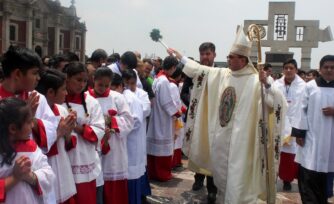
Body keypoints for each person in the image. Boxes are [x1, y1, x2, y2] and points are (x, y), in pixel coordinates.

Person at [167, 27, 286, 203]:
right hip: (222, 137)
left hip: (243, 141)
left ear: (243, 59)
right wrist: (181, 57)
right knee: (221, 179)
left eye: (231, 57)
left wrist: (267, 84)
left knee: (237, 181)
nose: (228, 59)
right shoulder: (223, 74)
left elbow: (277, 102)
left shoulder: (255, 80)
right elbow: (200, 70)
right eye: (229, 56)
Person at [291, 55, 334, 204]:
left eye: (332, 67)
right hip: (312, 138)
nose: (329, 70)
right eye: (326, 67)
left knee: (325, 177)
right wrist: (299, 133)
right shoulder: (310, 86)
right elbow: (301, 110)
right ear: (320, 69)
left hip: (331, 142)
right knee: (308, 174)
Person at [87, 67, 134, 204]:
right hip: (93, 146)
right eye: (99, 84)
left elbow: (129, 121)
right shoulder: (86, 97)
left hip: (114, 149)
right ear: (93, 80)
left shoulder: (117, 98)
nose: (102, 88)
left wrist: (112, 121)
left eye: (106, 85)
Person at [0, 46, 58, 153]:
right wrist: (22, 117)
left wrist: (32, 119)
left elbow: (52, 129)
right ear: (17, 74)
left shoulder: (37, 98)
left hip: (32, 162)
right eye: (35, 73)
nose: (38, 78)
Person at [180, 42, 218, 203]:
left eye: (208, 54)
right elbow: (184, 93)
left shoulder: (221, 73)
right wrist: (195, 106)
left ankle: (212, 188)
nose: (205, 57)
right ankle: (198, 178)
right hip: (196, 117)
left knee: (211, 152)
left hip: (213, 119)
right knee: (197, 146)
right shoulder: (193, 71)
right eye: (202, 54)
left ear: (214, 55)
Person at [62, 62, 105, 204]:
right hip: (63, 159)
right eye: (78, 80)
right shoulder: (58, 99)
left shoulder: (91, 103)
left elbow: (99, 130)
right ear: (67, 78)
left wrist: (77, 127)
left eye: (85, 81)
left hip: (85, 160)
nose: (82, 84)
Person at [0, 98, 55, 204]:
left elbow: (48, 175)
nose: (33, 125)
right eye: (29, 122)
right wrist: (15, 178)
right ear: (13, 129)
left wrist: (30, 176)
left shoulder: (31, 147)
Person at [35, 69, 78, 204]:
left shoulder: (62, 109)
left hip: (63, 166)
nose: (66, 93)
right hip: (46, 165)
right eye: (63, 89)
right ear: (50, 92)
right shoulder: (34, 112)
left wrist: (68, 133)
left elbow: (70, 142)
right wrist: (59, 133)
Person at [272, 59, 306, 191]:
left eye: (291, 68)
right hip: (279, 122)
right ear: (282, 69)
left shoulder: (304, 86)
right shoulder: (276, 84)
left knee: (292, 154)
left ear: (296, 70)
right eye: (286, 68)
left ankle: (288, 179)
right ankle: (275, 177)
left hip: (295, 123)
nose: (288, 70)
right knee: (277, 152)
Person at [147, 56, 180, 182]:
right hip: (163, 118)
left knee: (154, 147)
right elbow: (166, 102)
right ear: (172, 68)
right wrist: (176, 112)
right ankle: (163, 174)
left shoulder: (157, 78)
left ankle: (153, 172)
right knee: (163, 147)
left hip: (156, 115)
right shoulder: (165, 81)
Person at [122, 69, 152, 203]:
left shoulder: (142, 94)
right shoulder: (120, 94)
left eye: (132, 83)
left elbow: (146, 110)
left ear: (136, 82)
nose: (130, 87)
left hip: (137, 135)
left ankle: (140, 194)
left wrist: (135, 104)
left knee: (136, 165)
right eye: (127, 83)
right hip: (125, 137)